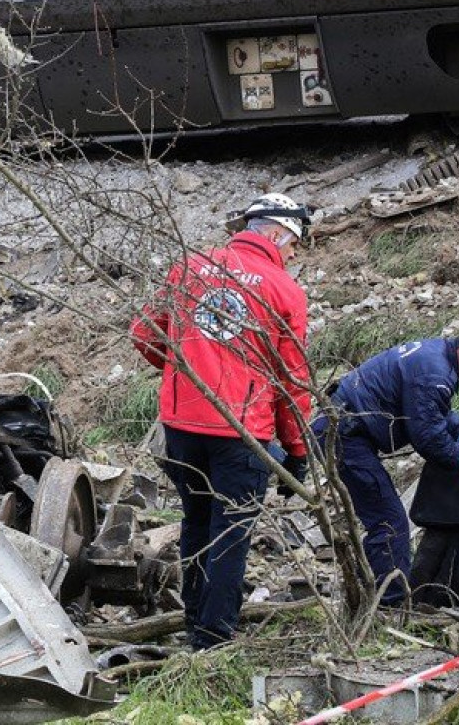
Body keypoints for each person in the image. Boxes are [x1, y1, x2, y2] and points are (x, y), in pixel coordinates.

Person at [130, 193, 314, 650]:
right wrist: (298, 450)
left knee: (195, 522)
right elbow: (292, 380)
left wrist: (180, 367)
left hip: (182, 424)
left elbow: (144, 332)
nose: (293, 256)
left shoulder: (189, 266)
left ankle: (196, 621)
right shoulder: (282, 289)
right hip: (241, 431)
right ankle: (213, 640)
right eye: (293, 245)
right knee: (231, 533)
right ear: (276, 232)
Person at [316, 321, 459, 605]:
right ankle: (389, 604)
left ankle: (368, 590)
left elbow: (430, 409)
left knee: (384, 517)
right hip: (344, 433)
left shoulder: (436, 356)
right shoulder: (434, 373)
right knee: (390, 521)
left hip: (349, 427)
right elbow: (429, 441)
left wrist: (458, 433)